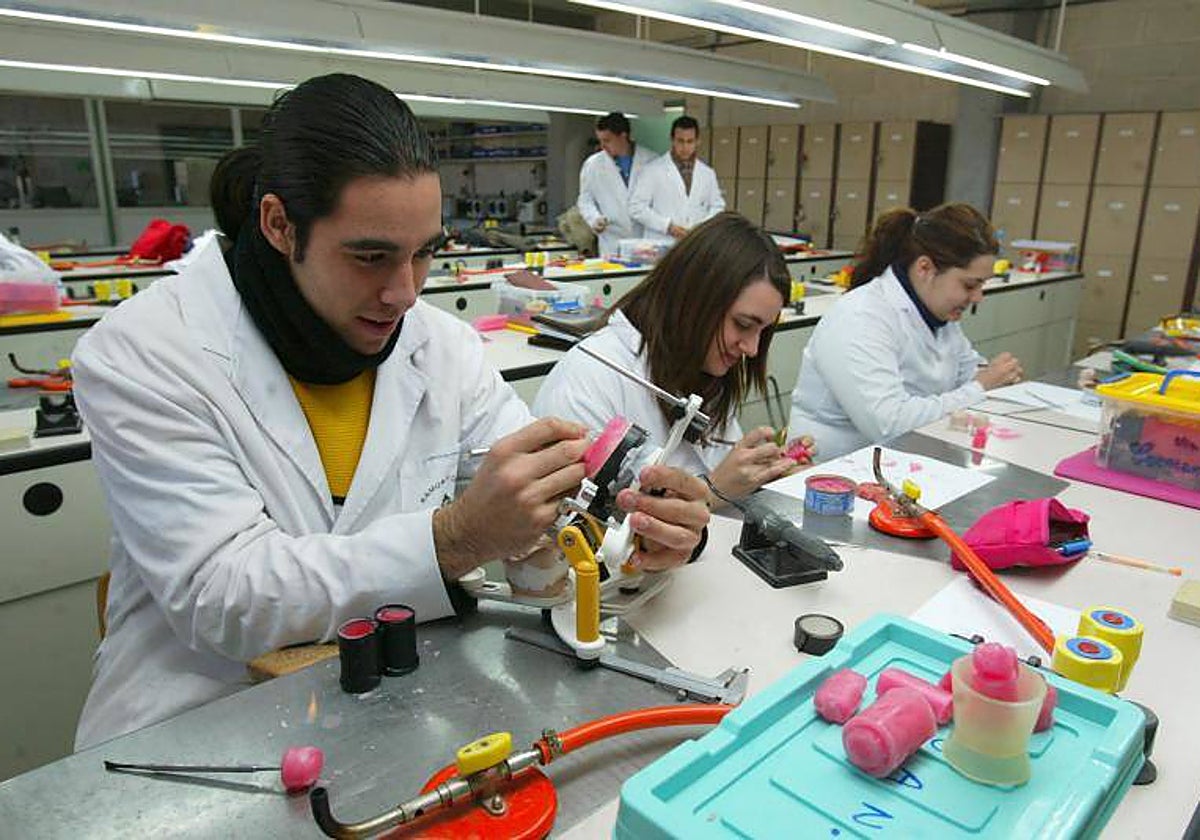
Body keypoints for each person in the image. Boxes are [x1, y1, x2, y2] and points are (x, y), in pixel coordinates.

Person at [71, 73, 709, 749]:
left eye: (424, 253)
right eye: (370, 257)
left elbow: (539, 540)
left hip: (393, 713)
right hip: (197, 731)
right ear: (280, 225)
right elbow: (225, 598)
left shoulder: (442, 348)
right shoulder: (141, 354)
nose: (404, 294)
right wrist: (455, 538)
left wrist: (634, 535)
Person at [533, 212, 805, 507]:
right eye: (742, 324)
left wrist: (762, 471)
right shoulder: (591, 376)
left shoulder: (702, 364)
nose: (752, 349)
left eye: (762, 331)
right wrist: (712, 494)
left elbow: (721, 468)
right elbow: (576, 534)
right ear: (692, 299)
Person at [788, 203, 1024, 461]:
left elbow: (968, 370)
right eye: (969, 285)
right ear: (925, 268)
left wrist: (995, 375)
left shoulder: (937, 315)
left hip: (904, 459)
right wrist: (983, 385)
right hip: (833, 470)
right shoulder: (862, 317)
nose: (978, 297)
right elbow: (888, 423)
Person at [628, 115, 724, 245]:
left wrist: (701, 227)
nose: (685, 147)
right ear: (672, 140)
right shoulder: (652, 170)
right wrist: (667, 226)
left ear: (697, 142)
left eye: (690, 141)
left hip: (695, 242)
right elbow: (636, 207)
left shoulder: (707, 173)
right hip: (661, 243)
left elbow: (717, 206)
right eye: (680, 141)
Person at [576, 112, 657, 257]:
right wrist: (594, 219)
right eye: (600, 140)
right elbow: (585, 200)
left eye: (607, 140)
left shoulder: (651, 161)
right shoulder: (593, 164)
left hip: (646, 242)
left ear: (623, 136)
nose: (602, 146)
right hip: (612, 242)